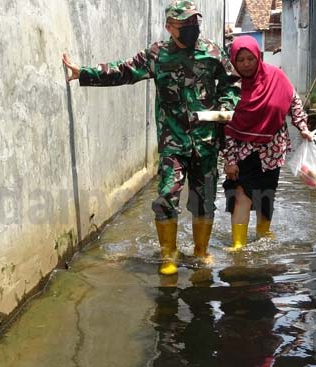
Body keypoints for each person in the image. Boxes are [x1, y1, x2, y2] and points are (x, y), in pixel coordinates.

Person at [62, 0, 239, 275]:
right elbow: (124, 70)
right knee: (167, 195)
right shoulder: (157, 55)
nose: (192, 28)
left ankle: (201, 253)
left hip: (206, 141)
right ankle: (168, 255)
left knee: (203, 199)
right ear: (170, 27)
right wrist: (83, 73)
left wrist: (227, 108)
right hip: (173, 140)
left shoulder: (212, 52)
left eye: (195, 23)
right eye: (185, 24)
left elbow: (232, 83)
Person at [221, 36, 314, 250]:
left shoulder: (276, 77)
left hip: (272, 150)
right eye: (240, 59)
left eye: (250, 58)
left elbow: (294, 101)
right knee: (241, 194)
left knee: (265, 195)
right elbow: (225, 127)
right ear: (234, 61)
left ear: (258, 57)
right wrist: (230, 160)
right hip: (243, 150)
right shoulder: (230, 87)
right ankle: (238, 244)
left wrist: (303, 128)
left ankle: (263, 235)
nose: (245, 64)